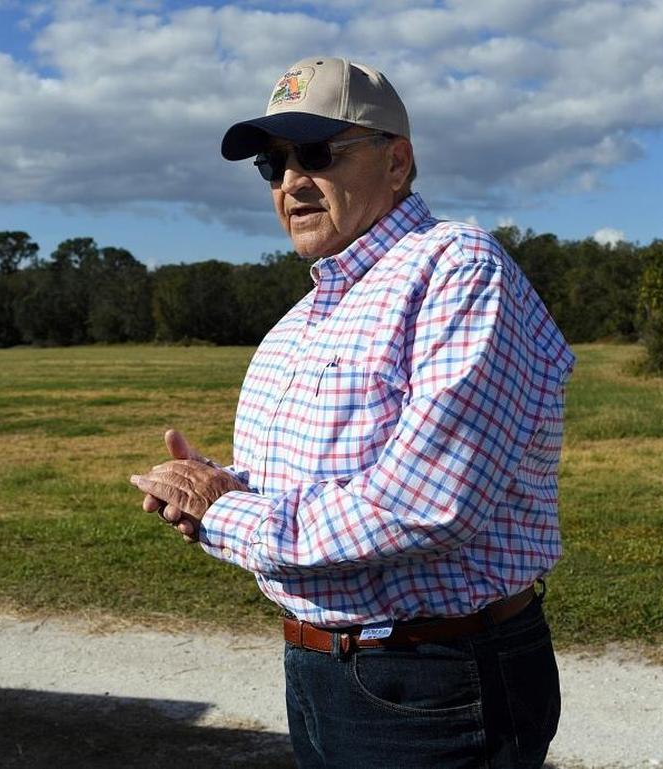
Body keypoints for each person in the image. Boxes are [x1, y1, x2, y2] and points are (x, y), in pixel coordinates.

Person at [130, 56, 574, 769]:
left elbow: (428, 503)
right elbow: (319, 477)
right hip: (320, 666)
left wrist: (227, 513)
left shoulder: (455, 267)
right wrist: (215, 488)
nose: (291, 182)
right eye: (272, 166)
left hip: (434, 675)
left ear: (396, 163)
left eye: (315, 152)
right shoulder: (299, 320)